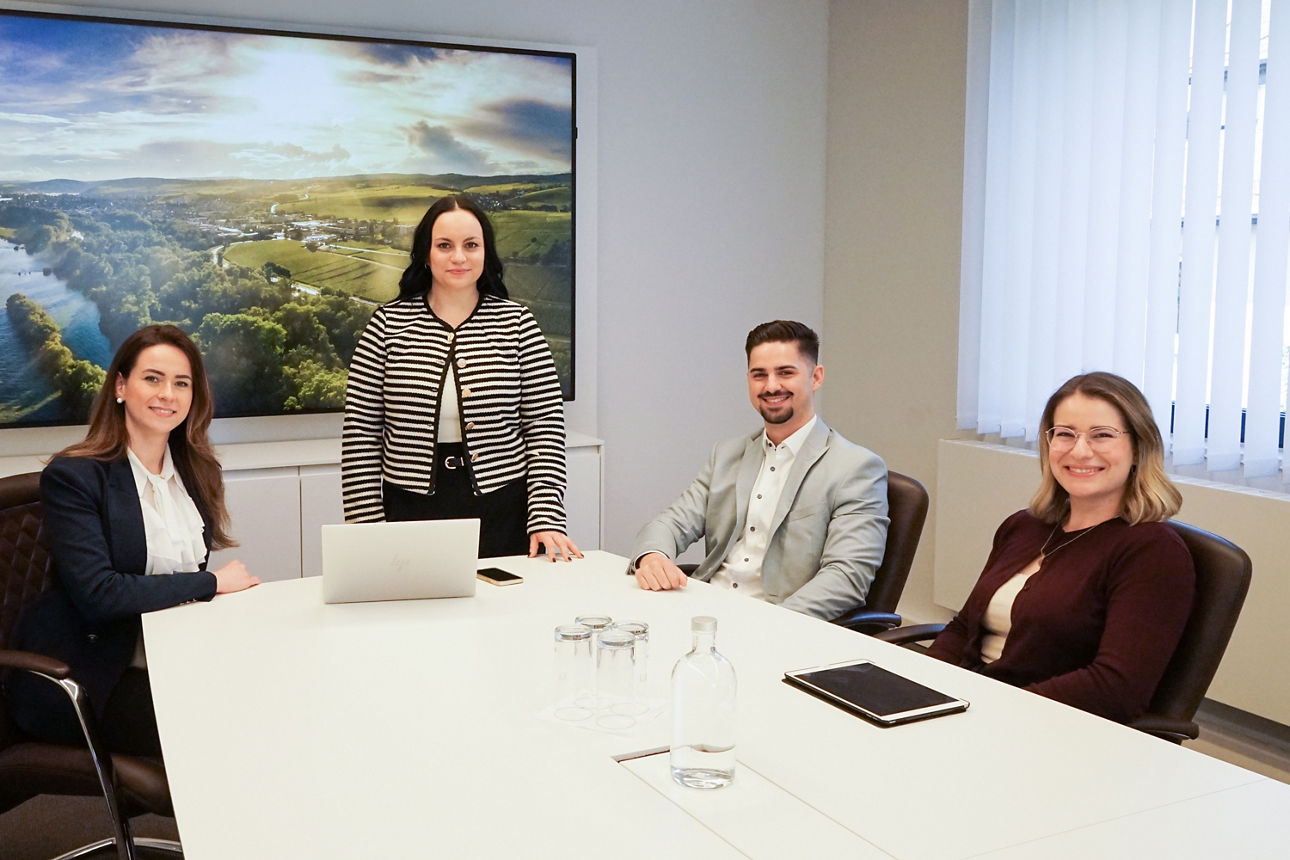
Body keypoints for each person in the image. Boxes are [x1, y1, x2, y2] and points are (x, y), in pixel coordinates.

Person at [3, 324, 259, 755]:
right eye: (152, 378)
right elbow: (100, 594)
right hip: (88, 673)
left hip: (169, 652)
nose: (168, 394)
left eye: (182, 383)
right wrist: (212, 583)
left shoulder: (193, 473)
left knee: (273, 691)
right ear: (121, 386)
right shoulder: (75, 477)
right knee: (222, 728)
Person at [927, 371, 1195, 724]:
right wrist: (919, 683)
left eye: (1102, 435)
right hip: (973, 708)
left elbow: (1115, 689)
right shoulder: (1024, 526)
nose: (1080, 450)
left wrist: (992, 708)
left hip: (1048, 730)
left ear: (1138, 449)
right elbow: (964, 628)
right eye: (1065, 434)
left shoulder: (1152, 553)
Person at [342, 194, 580, 561]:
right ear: (426, 253)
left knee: (505, 615)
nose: (458, 257)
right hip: (408, 510)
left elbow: (545, 427)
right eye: (444, 245)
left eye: (471, 245)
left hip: (503, 509)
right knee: (417, 614)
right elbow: (361, 434)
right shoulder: (386, 325)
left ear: (486, 253)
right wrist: (366, 528)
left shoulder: (518, 324)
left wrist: (546, 515)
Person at [629, 320, 889, 620]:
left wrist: (767, 625)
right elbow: (671, 523)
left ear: (816, 377)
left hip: (780, 625)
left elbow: (845, 578)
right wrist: (653, 557)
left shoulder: (855, 468)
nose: (771, 386)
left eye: (785, 372)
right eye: (759, 375)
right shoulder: (728, 455)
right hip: (705, 614)